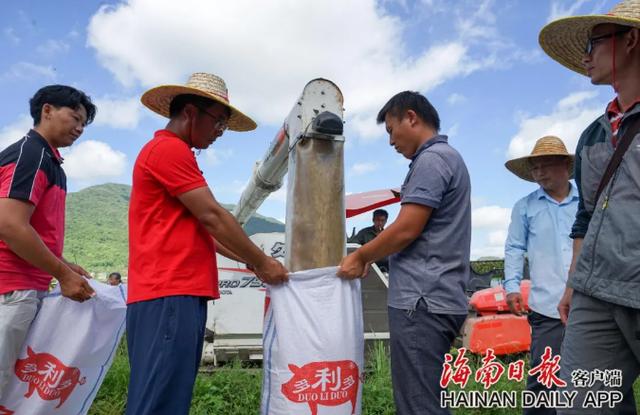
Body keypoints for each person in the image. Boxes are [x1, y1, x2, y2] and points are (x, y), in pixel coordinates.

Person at [126, 72, 289, 415]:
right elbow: (213, 216)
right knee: (160, 399)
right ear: (190, 112)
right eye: (218, 122)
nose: (220, 132)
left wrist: (250, 261)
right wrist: (263, 262)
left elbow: (206, 232)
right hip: (169, 292)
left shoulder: (172, 153)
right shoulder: (169, 150)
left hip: (174, 293)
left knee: (168, 394)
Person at [338, 91, 471, 414]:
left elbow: (407, 228)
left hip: (421, 300)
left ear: (411, 117)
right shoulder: (446, 158)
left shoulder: (432, 160)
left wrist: (361, 256)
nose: (390, 142)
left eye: (391, 130)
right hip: (437, 297)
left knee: (418, 404)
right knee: (426, 398)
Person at [539, 1, 640, 412]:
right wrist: (573, 285)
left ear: (631, 40)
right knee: (582, 403)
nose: (585, 57)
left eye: (594, 43)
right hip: (595, 294)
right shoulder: (593, 135)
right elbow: (586, 216)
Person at [0, 85, 96, 399]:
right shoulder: (31, 154)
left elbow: (30, 229)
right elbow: (10, 225)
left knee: (11, 389)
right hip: (11, 289)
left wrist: (64, 264)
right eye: (75, 118)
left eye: (84, 123)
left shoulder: (50, 162)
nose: (80, 128)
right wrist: (63, 274)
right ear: (47, 110)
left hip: (23, 289)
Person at [503, 136, 578, 415]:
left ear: (565, 165)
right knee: (545, 377)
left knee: (599, 373)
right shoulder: (525, 206)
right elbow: (514, 247)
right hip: (547, 307)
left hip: (590, 303)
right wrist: (512, 286)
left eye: (546, 165)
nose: (539, 172)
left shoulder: (587, 202)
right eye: (535, 167)